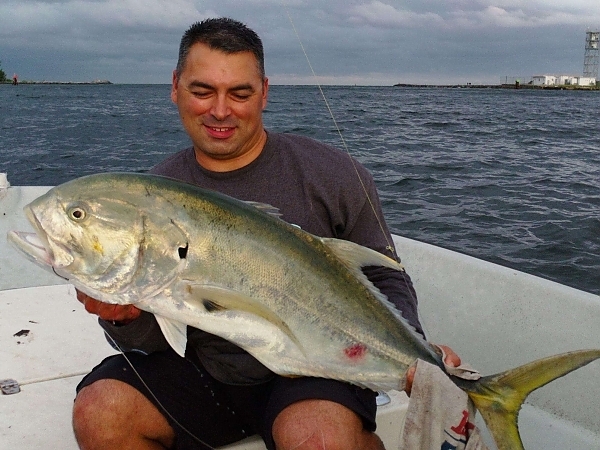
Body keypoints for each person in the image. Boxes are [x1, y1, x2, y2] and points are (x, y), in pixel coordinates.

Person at [72, 18, 460, 450]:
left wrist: (416, 355)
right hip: (207, 369)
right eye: (203, 91)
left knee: (319, 439)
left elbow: (385, 276)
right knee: (100, 413)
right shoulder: (155, 195)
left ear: (265, 92)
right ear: (175, 87)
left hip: (315, 372)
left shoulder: (332, 174)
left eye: (240, 93)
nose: (221, 110)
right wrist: (118, 316)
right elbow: (154, 335)